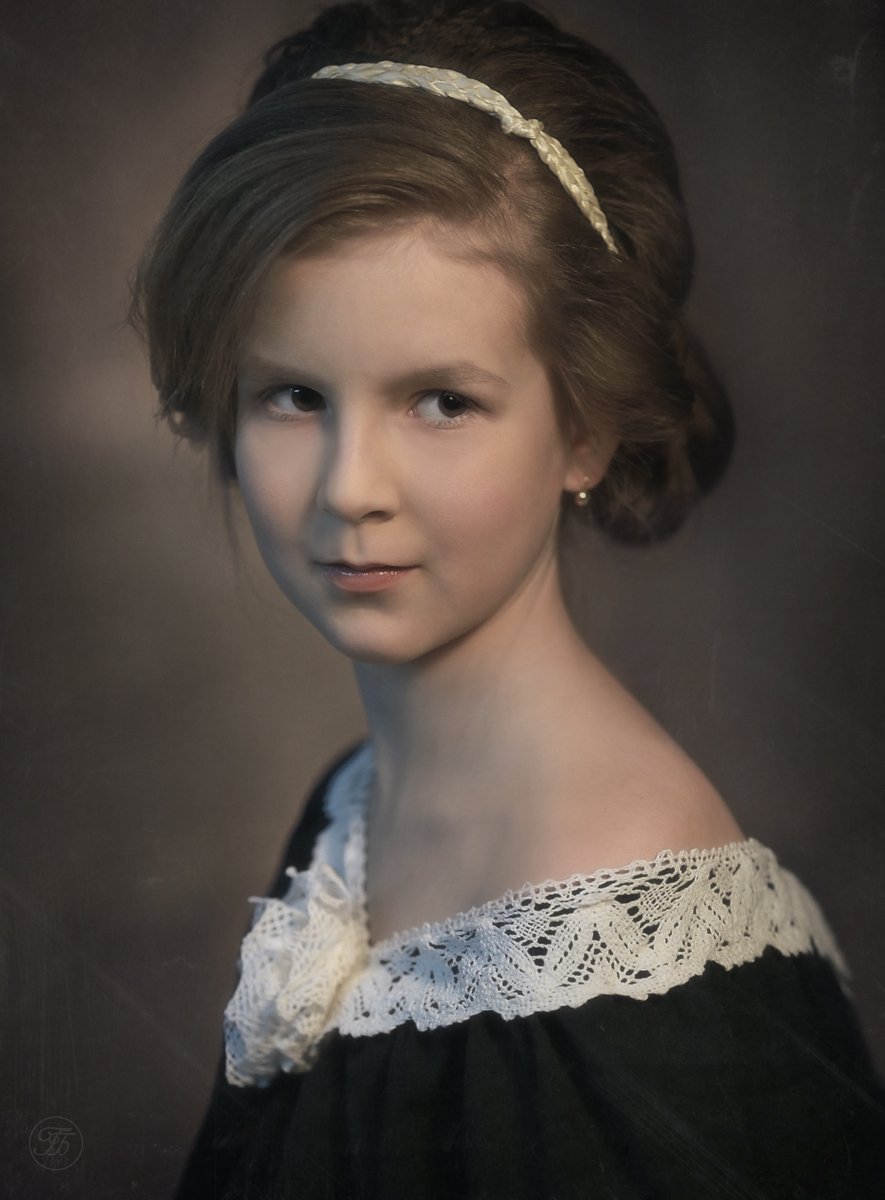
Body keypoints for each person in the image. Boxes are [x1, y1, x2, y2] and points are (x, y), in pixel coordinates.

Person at [130, 1, 885, 1195]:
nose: (350, 488)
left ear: (586, 425)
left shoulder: (633, 972)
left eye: (443, 401)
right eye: (295, 396)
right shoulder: (352, 808)